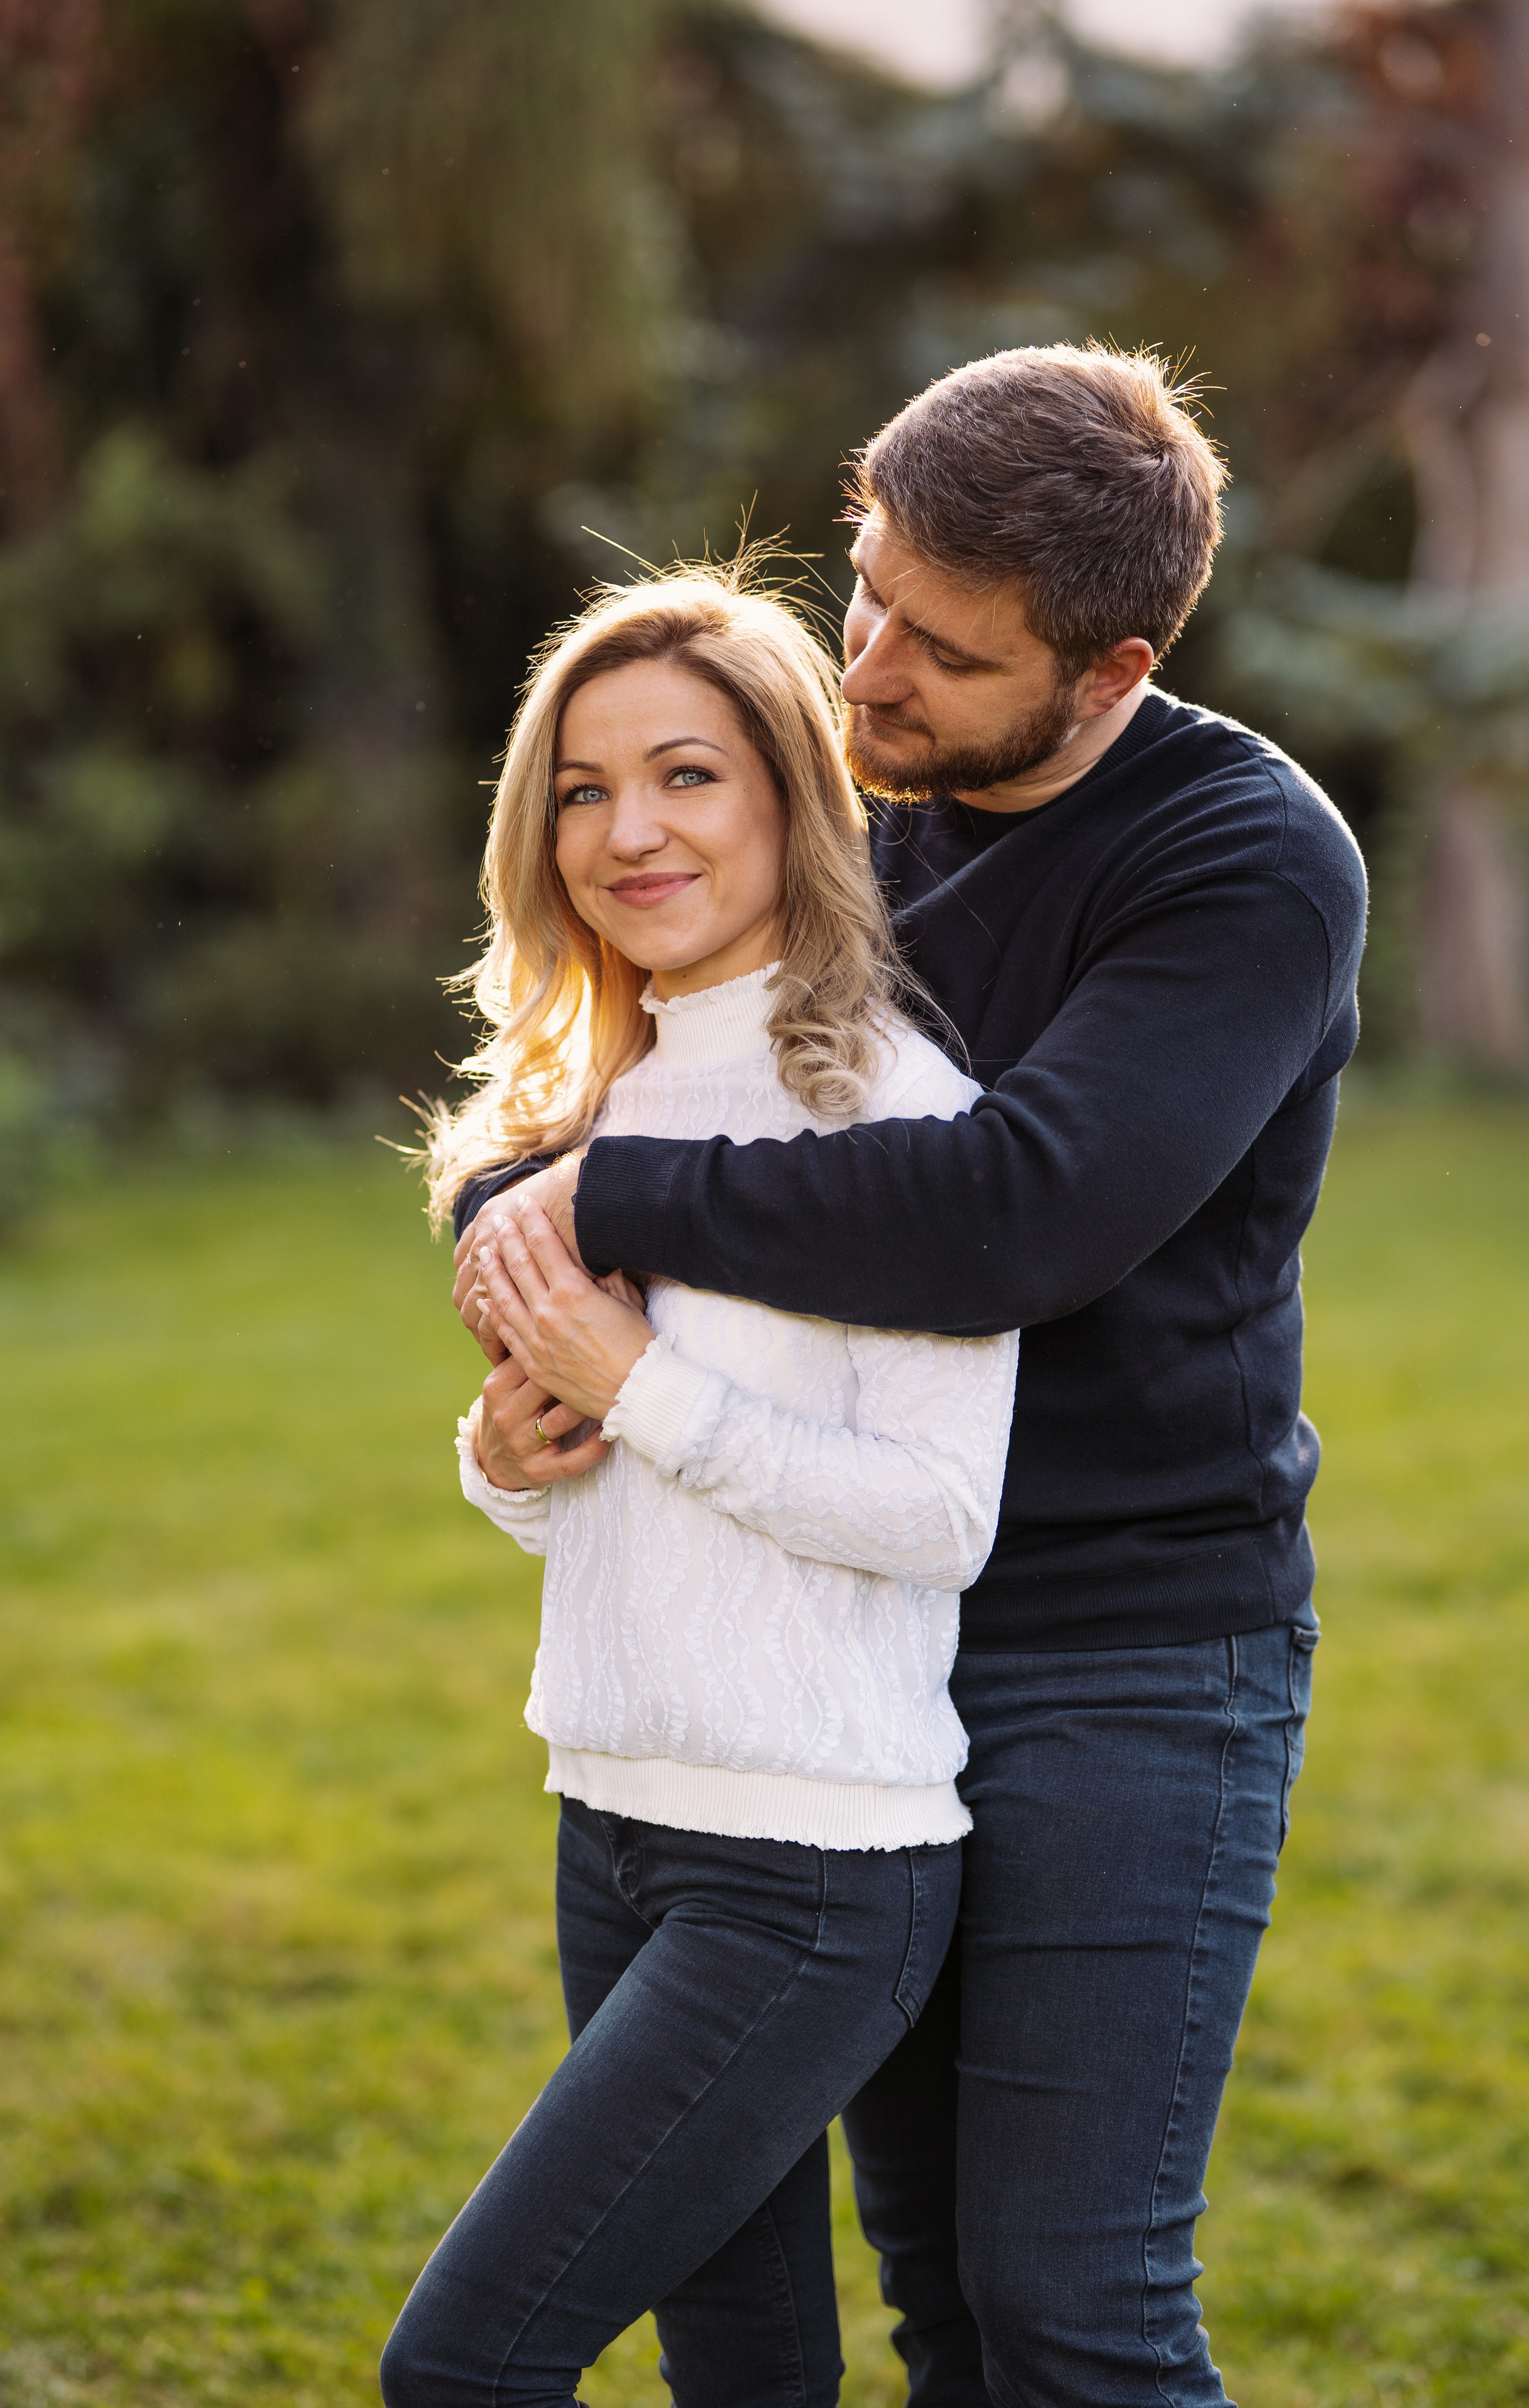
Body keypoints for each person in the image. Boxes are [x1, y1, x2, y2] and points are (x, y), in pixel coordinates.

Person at [452, 343, 1369, 2407]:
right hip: (856, 1647)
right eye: (865, 592)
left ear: (1109, 667)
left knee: (1074, 2305)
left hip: (1127, 1652)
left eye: (941, 652)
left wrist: (615, 1209)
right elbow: (611, 1067)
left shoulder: (1243, 863)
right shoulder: (882, 819)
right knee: (944, 2296)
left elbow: (1012, 1214)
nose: (864, 674)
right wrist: (528, 1245)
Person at [381, 572, 1019, 2408]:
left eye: (686, 776)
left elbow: (933, 1518)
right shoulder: (610, 1108)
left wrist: (636, 1387)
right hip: (614, 1821)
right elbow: (612, 1485)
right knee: (746, 2376)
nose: (627, 831)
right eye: (582, 788)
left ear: (789, 801)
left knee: (469, 2363)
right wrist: (509, 1458)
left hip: (811, 1866)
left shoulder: (892, 1113)